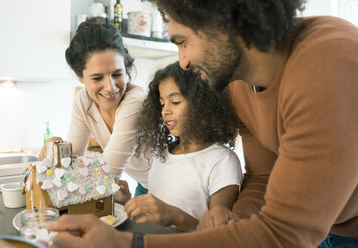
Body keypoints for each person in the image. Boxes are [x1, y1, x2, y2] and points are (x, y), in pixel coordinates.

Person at [48, 1, 358, 247]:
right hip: (322, 229)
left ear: (222, 23)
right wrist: (232, 217)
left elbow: (283, 235)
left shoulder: (327, 62)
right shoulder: (238, 83)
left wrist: (127, 244)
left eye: (182, 42)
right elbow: (262, 175)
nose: (182, 61)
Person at [118, 62, 242, 232]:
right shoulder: (162, 153)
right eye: (162, 104)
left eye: (175, 102)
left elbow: (216, 236)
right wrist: (127, 202)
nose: (165, 111)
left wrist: (176, 216)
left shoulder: (222, 161)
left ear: (202, 104)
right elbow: (154, 216)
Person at [39, 18, 150, 197]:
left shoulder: (136, 103)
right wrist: (56, 148)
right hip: (145, 187)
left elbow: (105, 175)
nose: (111, 87)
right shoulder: (83, 101)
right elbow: (71, 163)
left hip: (180, 188)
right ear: (80, 76)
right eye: (97, 78)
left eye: (117, 74)